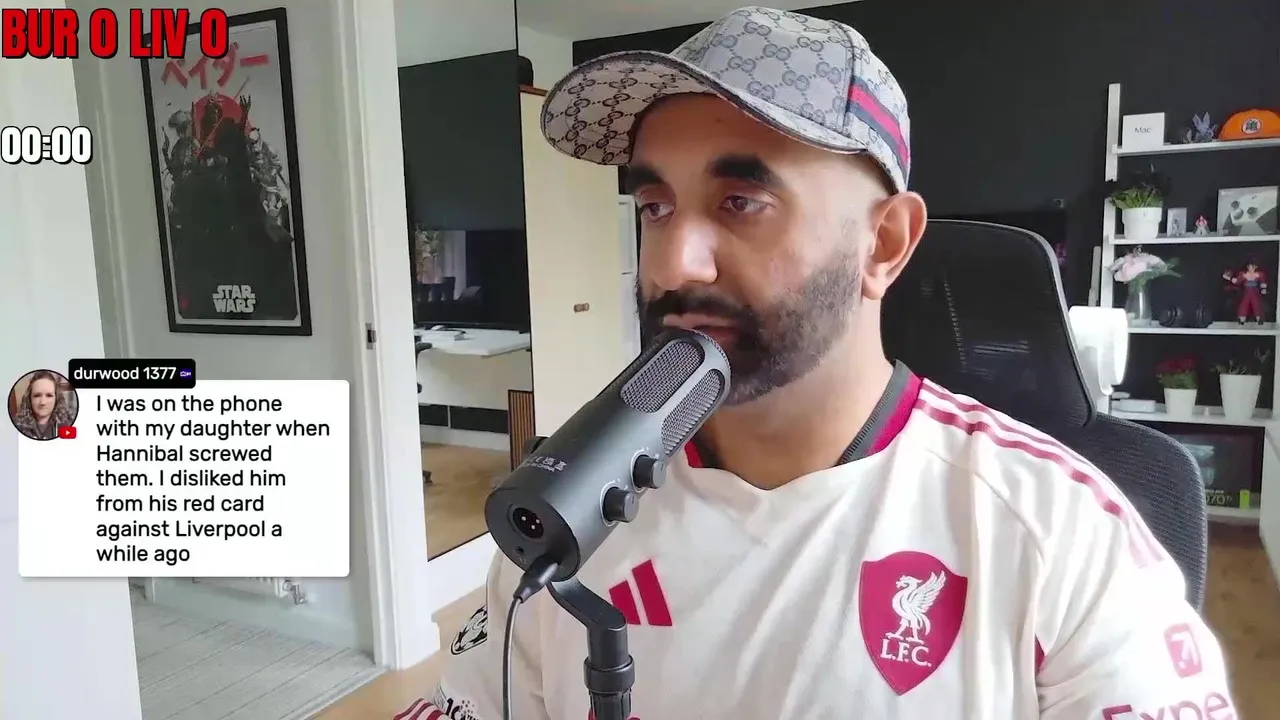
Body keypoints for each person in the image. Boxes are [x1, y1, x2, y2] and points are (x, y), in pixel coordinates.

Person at [406, 7, 1236, 718]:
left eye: (741, 202)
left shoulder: (1062, 533)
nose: (675, 262)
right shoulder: (575, 509)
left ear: (886, 243)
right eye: (656, 206)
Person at [9, 370, 77, 441]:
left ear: (57, 398)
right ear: (29, 398)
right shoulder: (16, 426)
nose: (43, 402)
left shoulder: (69, 425)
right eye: (37, 395)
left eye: (49, 395)